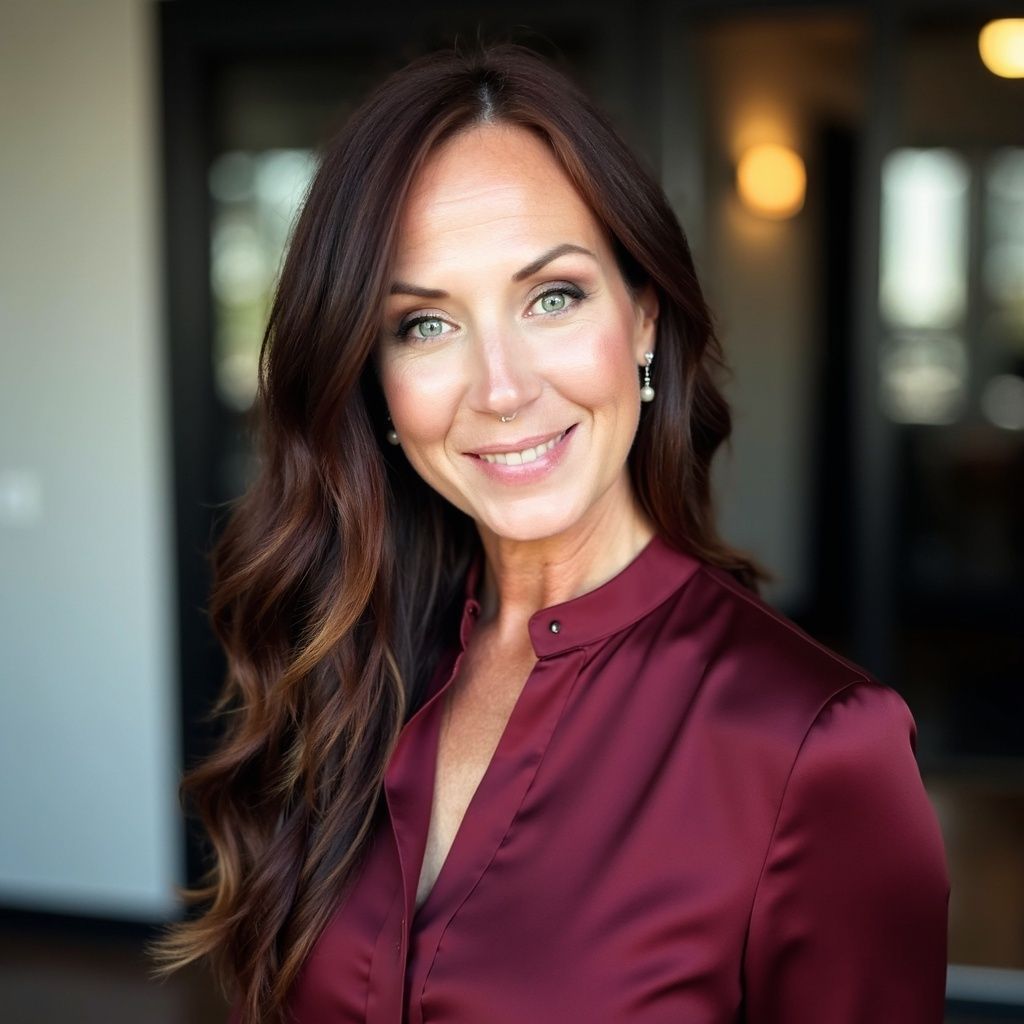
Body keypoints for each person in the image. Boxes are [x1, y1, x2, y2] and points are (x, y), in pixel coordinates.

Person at [150, 41, 951, 1024]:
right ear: (377, 385)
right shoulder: (354, 667)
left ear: (644, 317)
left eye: (553, 297)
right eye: (425, 324)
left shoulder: (815, 748)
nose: (501, 387)